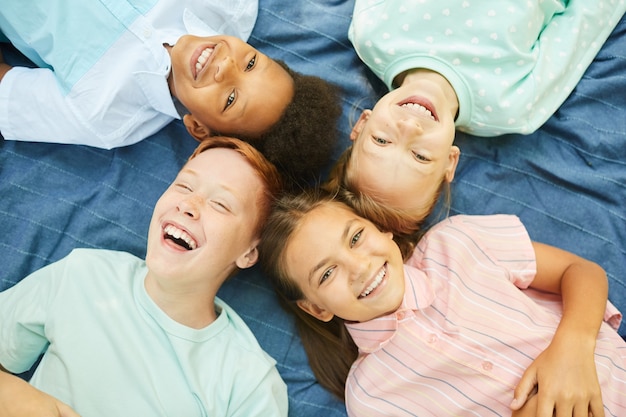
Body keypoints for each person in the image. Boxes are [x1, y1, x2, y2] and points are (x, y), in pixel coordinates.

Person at [258, 188, 626, 417]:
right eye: (326, 274)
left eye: (355, 238)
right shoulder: (371, 397)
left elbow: (581, 271)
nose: (358, 267)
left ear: (381, 229)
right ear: (317, 308)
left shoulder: (455, 242)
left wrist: (572, 350)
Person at [0, 136, 288, 417]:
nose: (188, 204)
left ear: (249, 253)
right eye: (184, 185)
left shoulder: (248, 382)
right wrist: (10, 392)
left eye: (220, 204)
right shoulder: (83, 274)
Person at [327, 0, 626, 231]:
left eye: (381, 140)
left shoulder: (374, 36)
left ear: (363, 123)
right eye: (420, 156)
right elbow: (585, 22)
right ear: (450, 161)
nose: (409, 127)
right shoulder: (511, 107)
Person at [0, 0, 341, 183]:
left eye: (231, 99)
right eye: (251, 63)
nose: (226, 67)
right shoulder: (231, 5)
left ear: (198, 128)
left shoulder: (103, 115)